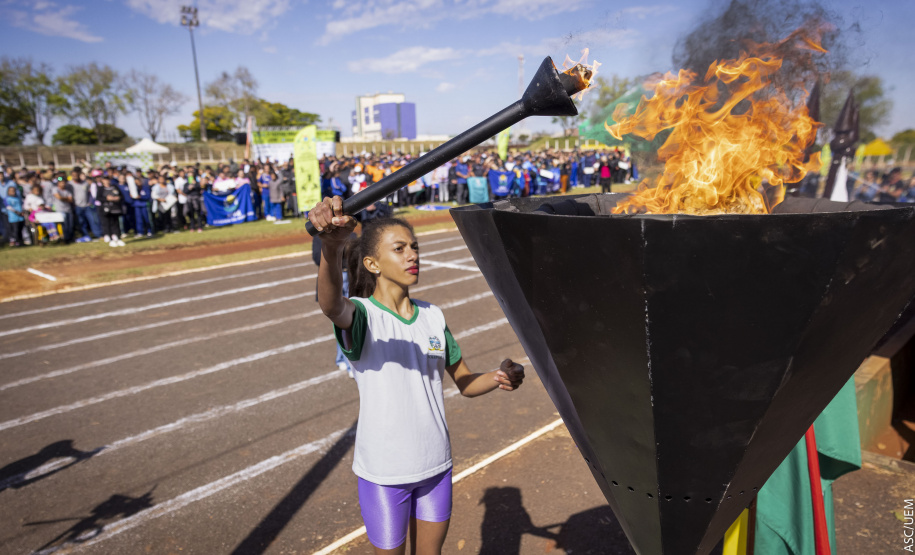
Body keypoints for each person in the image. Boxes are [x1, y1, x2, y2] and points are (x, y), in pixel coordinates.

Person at [309, 196, 525, 554]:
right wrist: (331, 248)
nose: (413, 255)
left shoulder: (433, 316)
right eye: (399, 248)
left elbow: (466, 382)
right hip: (384, 473)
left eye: (414, 247)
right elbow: (331, 305)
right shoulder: (362, 315)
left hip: (435, 465)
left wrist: (499, 376)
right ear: (372, 263)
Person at [99, 176, 126, 247]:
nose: (107, 181)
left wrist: (117, 198)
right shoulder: (101, 189)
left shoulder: (115, 187)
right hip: (106, 209)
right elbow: (98, 198)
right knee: (108, 224)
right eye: (105, 180)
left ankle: (118, 238)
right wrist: (107, 198)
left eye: (108, 179)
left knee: (116, 223)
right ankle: (111, 239)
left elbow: (121, 196)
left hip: (116, 208)